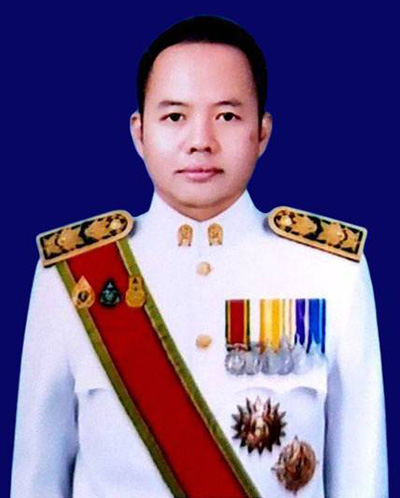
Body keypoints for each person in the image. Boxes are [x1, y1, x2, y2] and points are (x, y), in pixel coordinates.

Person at [11, 15, 388, 498]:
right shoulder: (73, 275)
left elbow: (361, 474)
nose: (200, 141)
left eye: (227, 116)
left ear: (263, 132)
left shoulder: (331, 271)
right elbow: (36, 476)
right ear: (139, 133)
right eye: (175, 117)